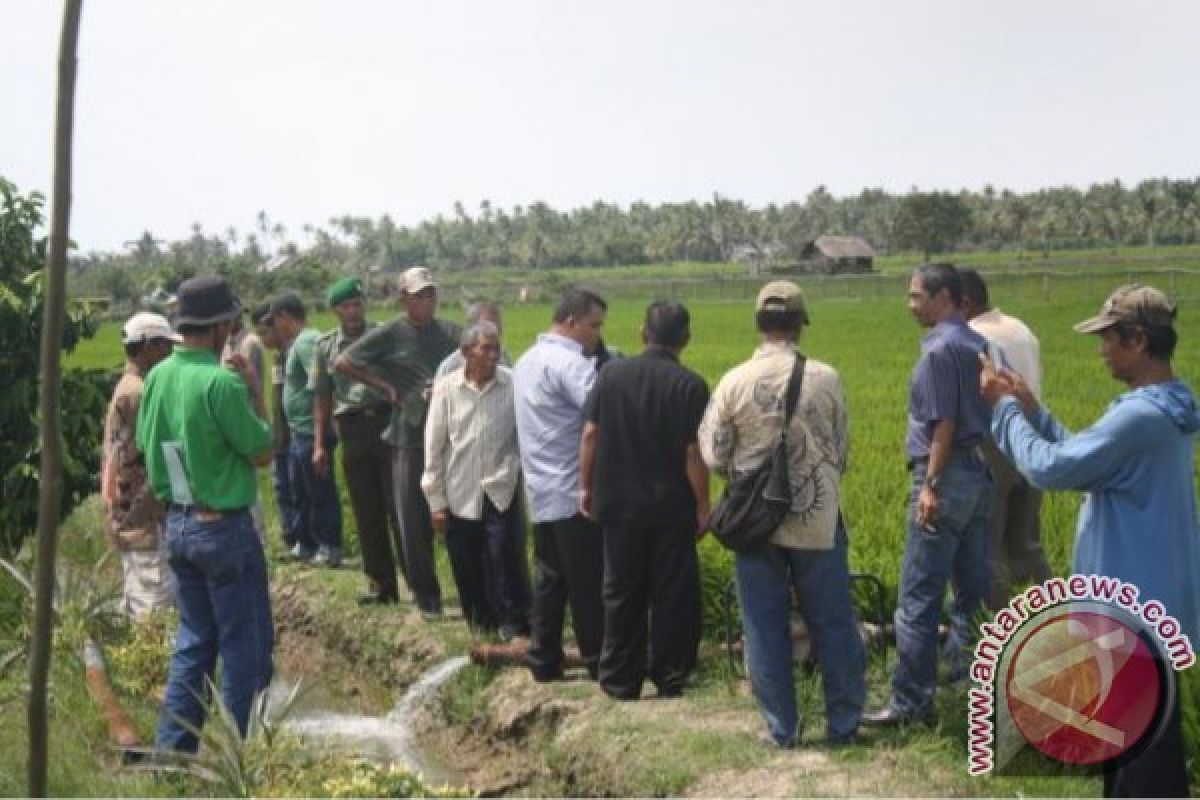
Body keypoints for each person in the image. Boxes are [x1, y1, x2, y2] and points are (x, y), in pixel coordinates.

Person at [983, 284, 1200, 798]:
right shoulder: (1166, 406)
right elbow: (1088, 457)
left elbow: (1050, 468)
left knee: (1138, 763)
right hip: (1152, 601)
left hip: (1132, 611)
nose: (1102, 350)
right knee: (1140, 750)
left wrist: (1005, 412)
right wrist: (1034, 411)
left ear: (1139, 340)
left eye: (1109, 339)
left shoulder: (1139, 416)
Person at [698, 282, 864, 747]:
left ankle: (782, 730)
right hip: (819, 520)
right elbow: (841, 450)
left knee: (763, 626)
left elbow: (713, 454)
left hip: (755, 525)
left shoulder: (733, 382)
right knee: (833, 623)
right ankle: (844, 727)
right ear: (798, 324)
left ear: (760, 324)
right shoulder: (826, 378)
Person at [136, 275, 273, 752]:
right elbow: (261, 450)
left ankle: (172, 754)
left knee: (194, 644)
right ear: (218, 328)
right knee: (245, 647)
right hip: (223, 529)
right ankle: (243, 755)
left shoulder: (157, 377)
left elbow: (147, 447)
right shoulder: (220, 382)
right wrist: (254, 389)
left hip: (178, 522)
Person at [866, 263, 992, 727]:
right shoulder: (976, 342)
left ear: (943, 298)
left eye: (917, 295)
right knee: (971, 595)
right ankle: (965, 691)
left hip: (944, 475)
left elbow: (945, 424)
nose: (910, 304)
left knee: (918, 600)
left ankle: (910, 703)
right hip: (978, 477)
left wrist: (931, 486)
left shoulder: (940, 349)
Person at [581, 300, 710, 700]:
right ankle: (670, 674)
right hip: (671, 507)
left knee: (620, 590)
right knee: (672, 592)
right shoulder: (691, 385)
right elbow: (694, 454)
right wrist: (703, 506)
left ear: (643, 334)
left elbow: (590, 435)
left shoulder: (611, 375)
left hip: (618, 504)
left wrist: (585, 487)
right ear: (685, 339)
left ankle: (620, 678)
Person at [335, 266, 462, 617]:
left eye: (430, 295)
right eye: (418, 296)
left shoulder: (450, 333)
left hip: (450, 437)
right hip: (408, 435)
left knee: (461, 517)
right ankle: (427, 596)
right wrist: (387, 387)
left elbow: (479, 358)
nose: (426, 302)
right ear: (404, 299)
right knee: (412, 520)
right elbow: (343, 362)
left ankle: (473, 597)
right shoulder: (391, 333)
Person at [513, 287, 607, 682]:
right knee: (588, 582)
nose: (596, 335)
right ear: (571, 322)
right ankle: (600, 660)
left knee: (551, 580)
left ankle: (544, 659)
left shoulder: (526, 361)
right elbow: (601, 415)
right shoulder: (570, 364)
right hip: (575, 491)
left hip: (542, 490)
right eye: (593, 325)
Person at [422, 321, 531, 637]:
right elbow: (434, 447)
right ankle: (480, 625)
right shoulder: (446, 389)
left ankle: (514, 624)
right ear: (466, 352)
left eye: (496, 348)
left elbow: (526, 436)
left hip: (501, 487)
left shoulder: (513, 385)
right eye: (486, 348)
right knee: (466, 563)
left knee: (505, 558)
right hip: (460, 491)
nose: (494, 355)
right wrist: (436, 502)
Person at [958, 269, 1051, 608]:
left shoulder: (970, 335)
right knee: (1027, 543)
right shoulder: (1020, 328)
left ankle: (995, 628)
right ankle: (1055, 617)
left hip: (994, 441)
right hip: (1034, 438)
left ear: (963, 301)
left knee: (990, 543)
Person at [313, 277, 404, 603]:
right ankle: (382, 586)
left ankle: (416, 583)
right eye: (346, 306)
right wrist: (319, 444)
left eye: (357, 304)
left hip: (386, 422)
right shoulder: (325, 347)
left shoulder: (382, 335)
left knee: (399, 507)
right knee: (366, 511)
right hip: (351, 428)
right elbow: (322, 398)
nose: (353, 311)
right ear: (336, 311)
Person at [100, 312, 179, 618]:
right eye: (166, 347)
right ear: (149, 347)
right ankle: (153, 666)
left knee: (139, 599)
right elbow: (165, 449)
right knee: (154, 606)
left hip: (127, 513)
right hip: (143, 514)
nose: (170, 354)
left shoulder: (127, 386)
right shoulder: (140, 393)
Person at [269, 293, 344, 566]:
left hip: (313, 433)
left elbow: (321, 390)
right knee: (301, 491)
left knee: (319, 491)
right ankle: (308, 544)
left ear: (284, 317)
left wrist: (320, 440)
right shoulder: (299, 343)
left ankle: (329, 546)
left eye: (275, 321)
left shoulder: (307, 343)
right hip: (300, 431)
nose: (275, 328)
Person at [251, 303, 300, 557]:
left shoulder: (293, 352)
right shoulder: (278, 356)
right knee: (283, 488)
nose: (262, 338)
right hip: (280, 435)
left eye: (264, 332)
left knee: (296, 489)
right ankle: (291, 539)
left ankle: (302, 540)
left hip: (292, 434)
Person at [222, 312, 268, 539]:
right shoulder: (227, 343)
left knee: (248, 480)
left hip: (245, 414)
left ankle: (256, 536)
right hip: (230, 417)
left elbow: (248, 382)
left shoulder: (249, 343)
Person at [435, 300, 512, 378]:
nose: (494, 333)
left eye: (497, 327)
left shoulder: (503, 358)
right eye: (487, 328)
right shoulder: (450, 368)